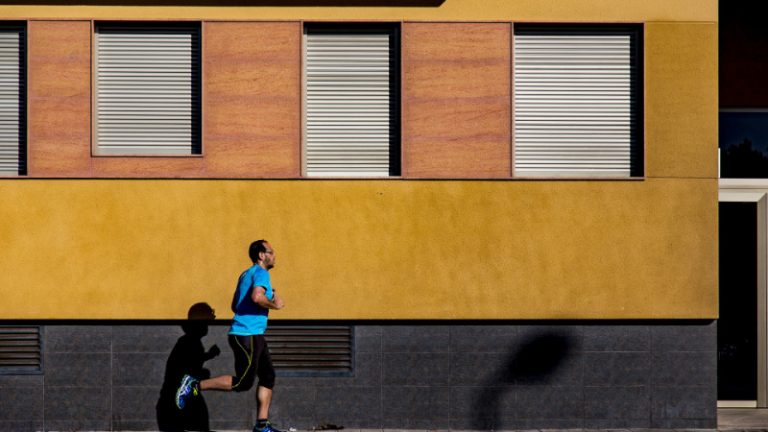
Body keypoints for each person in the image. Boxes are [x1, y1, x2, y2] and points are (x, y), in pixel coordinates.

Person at [175, 240, 285, 432]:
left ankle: (262, 425)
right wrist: (275, 304)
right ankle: (193, 384)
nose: (274, 255)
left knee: (268, 376)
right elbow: (257, 298)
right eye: (271, 252)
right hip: (247, 334)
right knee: (243, 383)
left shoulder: (246, 274)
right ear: (261, 255)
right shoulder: (261, 273)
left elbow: (235, 305)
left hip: (253, 334)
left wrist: (268, 297)